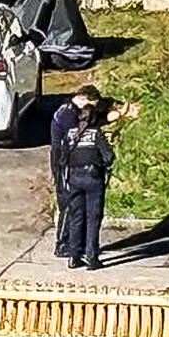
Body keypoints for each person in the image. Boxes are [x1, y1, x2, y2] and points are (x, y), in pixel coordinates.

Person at [61, 108, 115, 270]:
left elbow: (63, 157)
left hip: (73, 178)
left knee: (76, 217)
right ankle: (91, 257)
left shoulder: (70, 134)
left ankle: (73, 256)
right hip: (92, 178)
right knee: (93, 218)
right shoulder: (96, 134)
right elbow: (109, 157)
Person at [50, 85, 100, 257]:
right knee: (68, 202)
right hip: (63, 160)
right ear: (84, 99)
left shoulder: (66, 108)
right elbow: (73, 139)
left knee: (71, 202)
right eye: (91, 105)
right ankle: (63, 243)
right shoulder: (69, 116)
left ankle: (72, 243)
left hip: (62, 157)